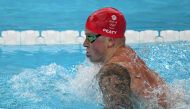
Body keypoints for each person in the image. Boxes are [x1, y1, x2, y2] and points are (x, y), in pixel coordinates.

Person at [83, 7, 168, 109]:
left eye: (90, 37)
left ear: (110, 41)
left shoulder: (112, 73)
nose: (85, 43)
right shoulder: (128, 54)